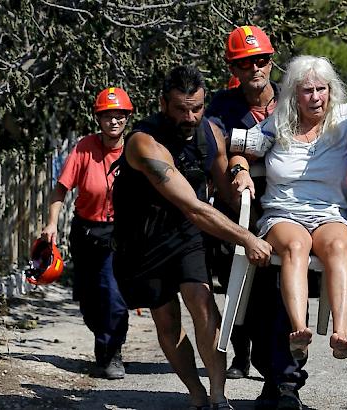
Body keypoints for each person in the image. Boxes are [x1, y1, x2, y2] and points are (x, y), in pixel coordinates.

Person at [229, 55, 347, 363]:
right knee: (296, 245)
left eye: (321, 89)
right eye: (307, 91)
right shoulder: (276, 124)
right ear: (294, 93)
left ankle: (341, 332)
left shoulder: (346, 118)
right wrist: (239, 169)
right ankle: (299, 331)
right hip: (283, 211)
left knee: (338, 246)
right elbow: (238, 148)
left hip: (329, 212)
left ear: (331, 91)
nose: (316, 97)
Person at [111, 65, 272, 410]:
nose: (190, 116)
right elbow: (193, 206)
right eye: (181, 109)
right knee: (167, 320)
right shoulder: (144, 143)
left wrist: (242, 181)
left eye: (196, 108)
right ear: (163, 104)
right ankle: (195, 393)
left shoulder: (211, 131)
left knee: (202, 304)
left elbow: (226, 192)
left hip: (187, 234)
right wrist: (247, 238)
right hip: (143, 240)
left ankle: (217, 395)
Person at [205, 25, 307, 410]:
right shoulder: (221, 107)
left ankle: (287, 385)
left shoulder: (294, 97)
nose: (255, 68)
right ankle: (271, 376)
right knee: (245, 309)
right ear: (233, 66)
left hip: (289, 215)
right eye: (246, 63)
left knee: (283, 297)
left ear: (271, 59)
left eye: (262, 59)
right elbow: (214, 150)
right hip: (239, 218)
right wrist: (237, 166)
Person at [40, 87, 132, 380]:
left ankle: (112, 353)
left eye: (119, 117)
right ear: (98, 119)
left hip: (118, 234)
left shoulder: (136, 149)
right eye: (107, 117)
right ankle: (102, 345)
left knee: (112, 295)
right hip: (85, 231)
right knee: (88, 298)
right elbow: (60, 189)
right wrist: (52, 223)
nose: (113, 122)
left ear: (127, 119)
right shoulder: (83, 148)